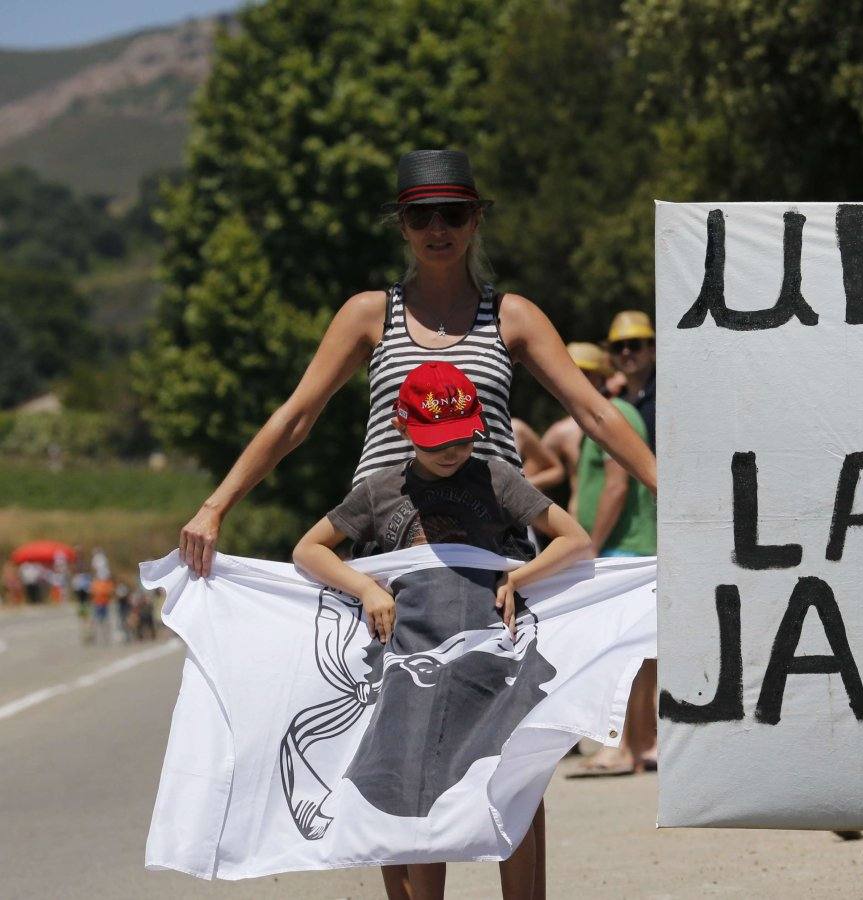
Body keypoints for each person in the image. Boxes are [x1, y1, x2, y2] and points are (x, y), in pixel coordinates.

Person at [176, 149, 656, 898]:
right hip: (392, 569)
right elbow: (299, 415)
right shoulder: (372, 315)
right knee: (402, 767)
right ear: (401, 224)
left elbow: (592, 411)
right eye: (421, 215)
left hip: (496, 567)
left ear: (477, 219)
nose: (438, 229)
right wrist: (217, 503)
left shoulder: (515, 316)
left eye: (453, 214)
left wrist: (676, 493)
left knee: (513, 765)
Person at [294, 362, 591, 900]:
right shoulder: (377, 491)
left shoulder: (496, 477)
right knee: (412, 790)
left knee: (511, 781)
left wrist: (520, 574)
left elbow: (575, 539)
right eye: (438, 443)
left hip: (494, 665)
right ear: (400, 425)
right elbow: (308, 548)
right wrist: (366, 588)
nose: (453, 452)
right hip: (410, 667)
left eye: (462, 438)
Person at [567, 363, 657, 778]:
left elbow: (618, 485)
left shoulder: (611, 413)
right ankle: (640, 745)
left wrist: (590, 547)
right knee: (636, 656)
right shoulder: (612, 411)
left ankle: (618, 747)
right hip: (626, 547)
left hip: (623, 549)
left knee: (620, 656)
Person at [540, 342, 613, 506]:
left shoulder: (622, 416)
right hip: (579, 522)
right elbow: (530, 473)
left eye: (585, 373)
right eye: (571, 373)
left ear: (602, 377)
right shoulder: (561, 431)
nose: (576, 380)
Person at [607, 311, 656, 449]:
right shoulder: (613, 401)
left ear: (652, 348)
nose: (626, 352)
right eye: (618, 346)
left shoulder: (668, 393)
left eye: (634, 345)